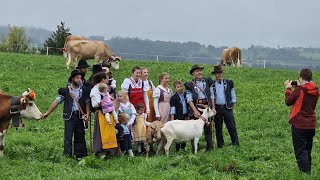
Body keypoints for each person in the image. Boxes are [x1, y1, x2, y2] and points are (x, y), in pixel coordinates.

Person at [42, 69, 90, 159]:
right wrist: (47, 112)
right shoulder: (66, 91)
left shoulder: (84, 90)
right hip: (69, 116)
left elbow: (87, 102)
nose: (79, 79)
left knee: (80, 136)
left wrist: (87, 114)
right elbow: (57, 101)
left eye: (80, 78)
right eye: (77, 78)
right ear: (72, 79)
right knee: (68, 137)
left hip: (80, 116)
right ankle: (67, 155)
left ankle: (79, 155)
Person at [284, 69, 319, 174]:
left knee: (300, 151)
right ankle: (308, 171)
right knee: (307, 150)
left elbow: (288, 102)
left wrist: (288, 89)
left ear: (300, 77)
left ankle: (305, 174)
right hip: (311, 124)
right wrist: (298, 87)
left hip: (299, 124)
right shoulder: (316, 90)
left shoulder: (300, 90)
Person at [185, 65, 215, 151]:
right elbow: (189, 99)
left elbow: (212, 95)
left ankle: (210, 147)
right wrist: (195, 110)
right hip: (196, 108)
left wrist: (213, 107)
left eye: (200, 70)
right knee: (194, 129)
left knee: (208, 128)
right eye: (197, 71)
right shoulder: (189, 85)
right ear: (193, 73)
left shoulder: (208, 81)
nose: (199, 72)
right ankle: (195, 148)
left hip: (207, 109)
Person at [90, 72, 118, 157]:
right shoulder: (95, 89)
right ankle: (100, 151)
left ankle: (108, 151)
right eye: (106, 79)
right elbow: (94, 104)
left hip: (108, 112)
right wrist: (101, 103)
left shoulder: (105, 89)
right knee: (100, 133)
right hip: (101, 113)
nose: (108, 80)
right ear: (102, 80)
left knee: (109, 132)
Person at [211, 65, 239, 148]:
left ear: (222, 73)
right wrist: (213, 107)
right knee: (218, 127)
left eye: (220, 73)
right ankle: (220, 144)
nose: (219, 75)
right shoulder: (212, 84)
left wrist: (232, 104)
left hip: (227, 107)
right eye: (217, 73)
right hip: (217, 108)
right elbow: (212, 96)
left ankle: (235, 142)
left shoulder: (229, 82)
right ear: (215, 75)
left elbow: (232, 93)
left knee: (231, 126)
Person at [170, 80, 189, 151]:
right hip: (178, 116)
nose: (180, 88)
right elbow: (173, 108)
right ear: (175, 88)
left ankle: (183, 146)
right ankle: (177, 147)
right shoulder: (173, 98)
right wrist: (172, 119)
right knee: (178, 132)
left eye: (181, 86)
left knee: (185, 131)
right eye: (178, 87)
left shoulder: (186, 95)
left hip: (185, 115)